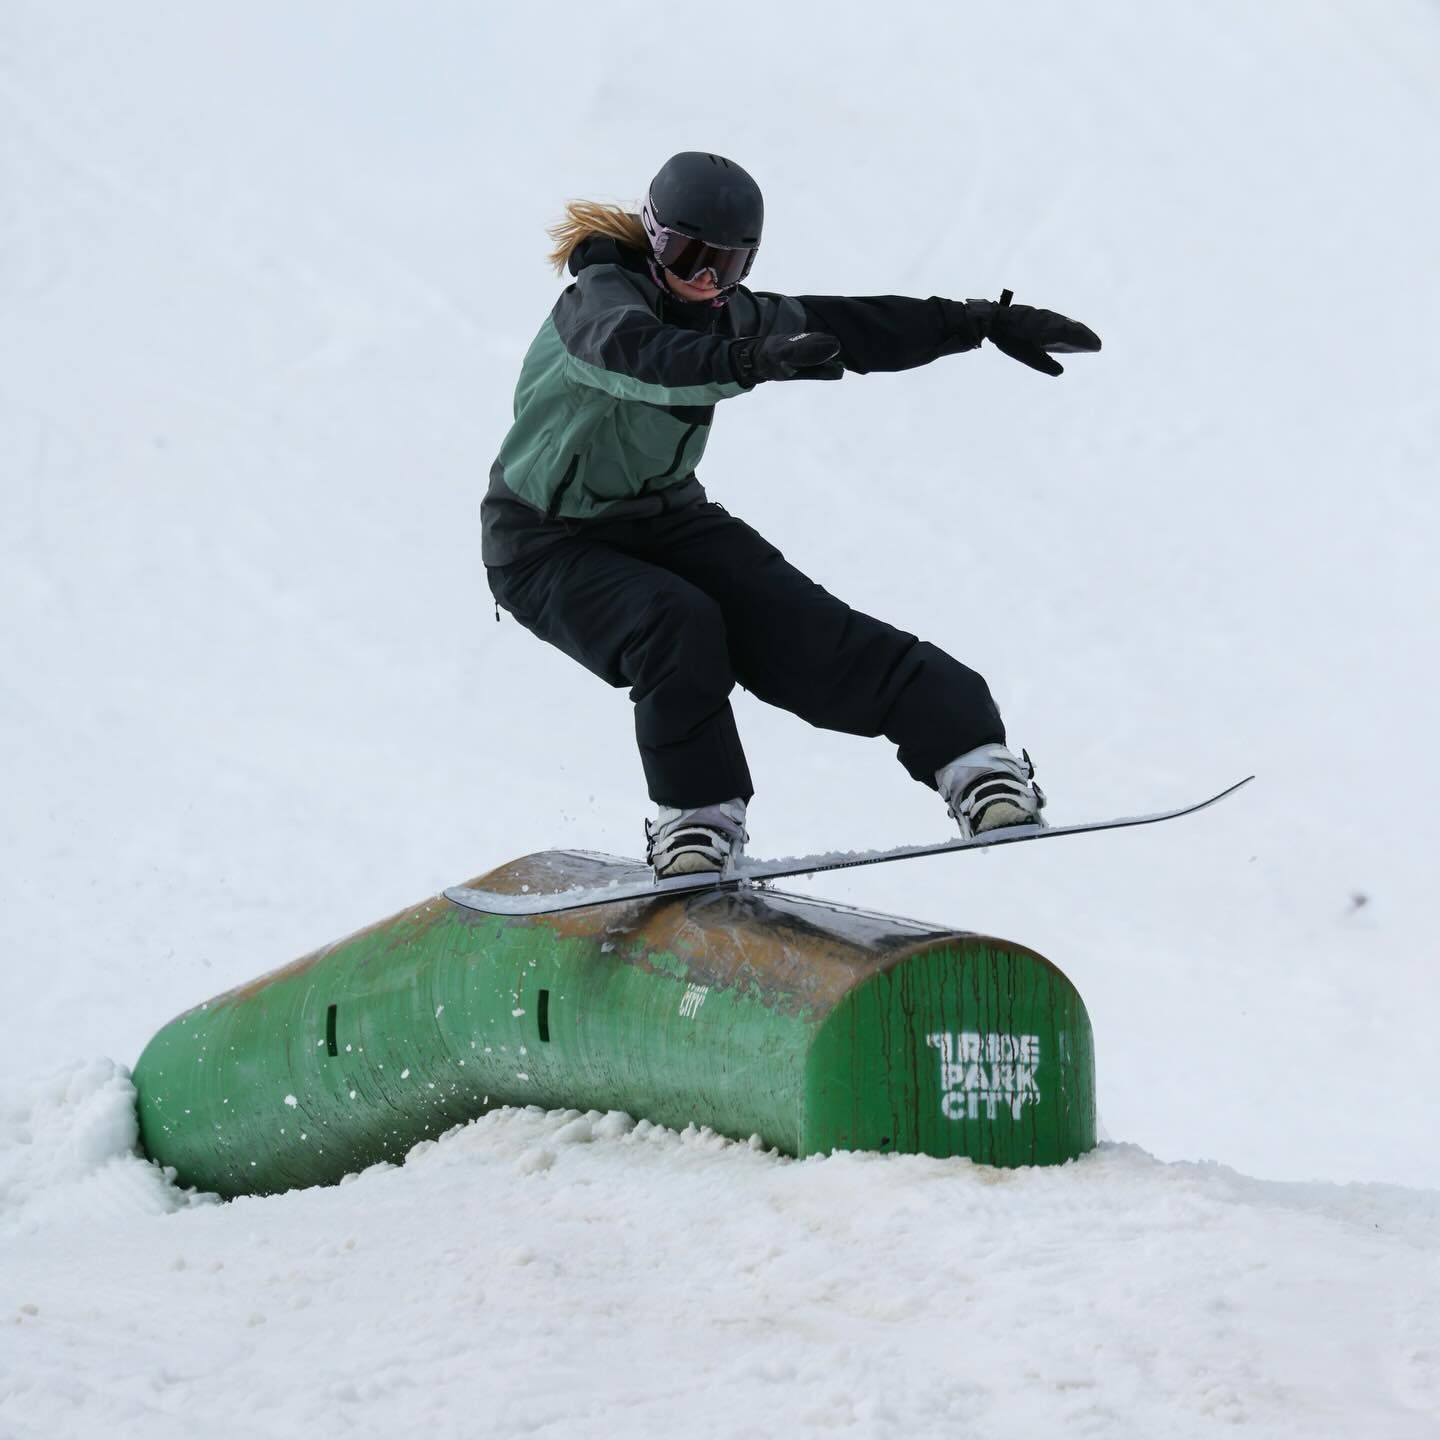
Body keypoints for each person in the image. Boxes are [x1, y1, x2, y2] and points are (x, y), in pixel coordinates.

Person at [484, 151, 1100, 879]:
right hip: (546, 544)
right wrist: (746, 360)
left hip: (665, 518)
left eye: (729, 265)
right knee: (675, 625)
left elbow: (853, 328)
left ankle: (974, 762)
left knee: (807, 631)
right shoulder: (600, 304)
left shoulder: (721, 317)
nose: (708, 281)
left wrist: (977, 323)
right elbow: (640, 354)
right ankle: (697, 821)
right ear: (652, 239)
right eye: (691, 256)